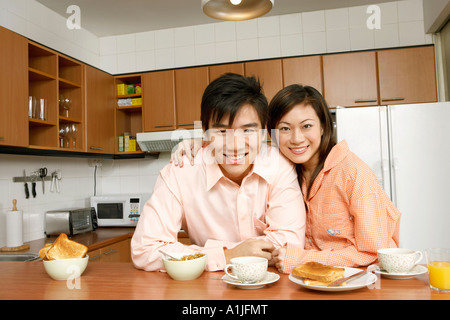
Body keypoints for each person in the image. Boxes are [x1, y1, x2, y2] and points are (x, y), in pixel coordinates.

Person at [172, 84, 401, 274]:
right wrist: (198, 144)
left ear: (323, 127)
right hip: (312, 283)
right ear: (271, 133)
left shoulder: (354, 173)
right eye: (284, 128)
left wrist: (301, 259)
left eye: (307, 126)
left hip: (358, 286)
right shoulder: (289, 166)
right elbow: (237, 144)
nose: (296, 138)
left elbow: (375, 253)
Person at [131, 73, 306, 272]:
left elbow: (289, 244)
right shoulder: (180, 172)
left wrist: (209, 255)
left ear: (264, 131)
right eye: (222, 131)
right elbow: (145, 250)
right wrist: (227, 255)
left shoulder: (279, 165)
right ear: (205, 132)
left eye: (248, 131)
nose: (235, 145)